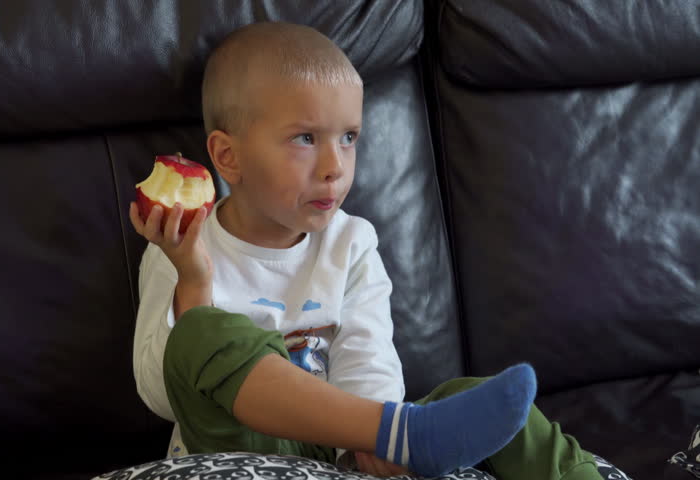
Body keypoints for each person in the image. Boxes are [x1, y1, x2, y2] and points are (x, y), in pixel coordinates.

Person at [130, 21, 602, 480]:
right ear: (229, 157)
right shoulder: (183, 244)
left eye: (349, 137)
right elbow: (160, 394)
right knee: (204, 331)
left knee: (480, 399)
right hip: (243, 442)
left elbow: (366, 351)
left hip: (340, 448)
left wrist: (370, 441)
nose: (335, 166)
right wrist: (193, 280)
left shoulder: (351, 242)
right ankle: (393, 432)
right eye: (305, 138)